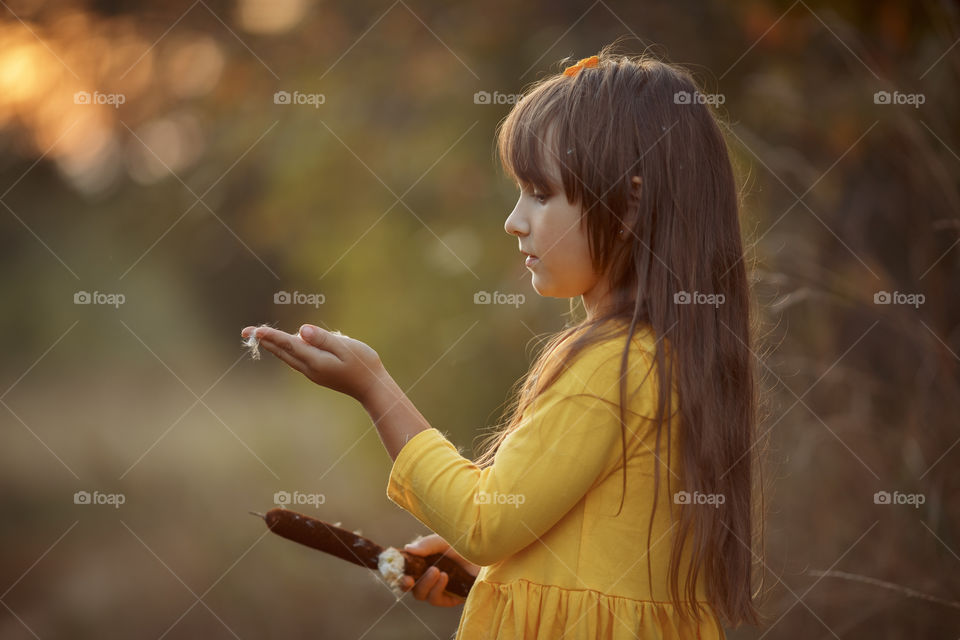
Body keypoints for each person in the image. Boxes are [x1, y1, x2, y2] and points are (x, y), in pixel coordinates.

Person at [242, 43, 765, 639]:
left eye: (540, 194)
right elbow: (594, 541)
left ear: (630, 204)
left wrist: (374, 386)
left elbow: (486, 519)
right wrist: (496, 566)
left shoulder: (612, 366)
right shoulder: (669, 356)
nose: (515, 220)